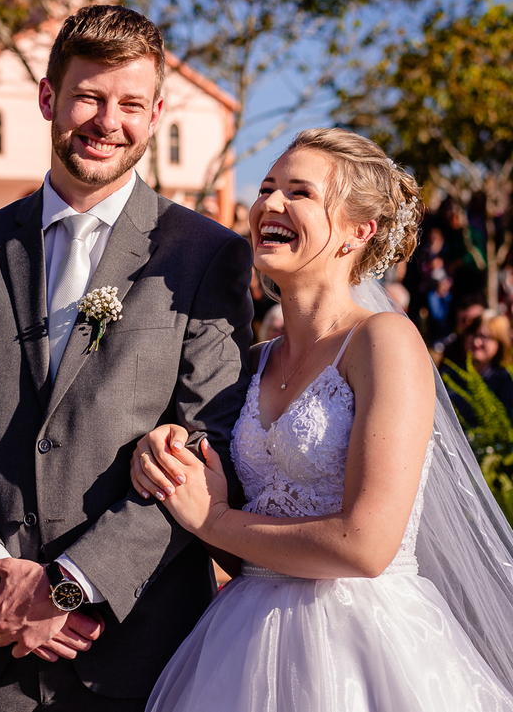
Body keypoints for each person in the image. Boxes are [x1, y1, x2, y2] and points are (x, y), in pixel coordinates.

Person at [0, 5, 254, 711]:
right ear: (48, 98)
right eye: (88, 96)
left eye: (128, 104)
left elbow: (210, 446)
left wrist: (70, 584)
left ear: (154, 115)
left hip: (136, 645)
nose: (105, 121)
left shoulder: (205, 256)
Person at [133, 128, 513, 711]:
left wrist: (211, 520)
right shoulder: (253, 363)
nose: (270, 204)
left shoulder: (384, 341)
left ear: (360, 232)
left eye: (299, 192)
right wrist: (164, 452)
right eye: (265, 188)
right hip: (244, 639)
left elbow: (365, 545)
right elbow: (229, 494)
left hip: (364, 644)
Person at [442, 309, 513, 430]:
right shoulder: (451, 374)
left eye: (485, 337)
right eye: (473, 334)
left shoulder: (506, 380)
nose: (476, 342)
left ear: (500, 342)